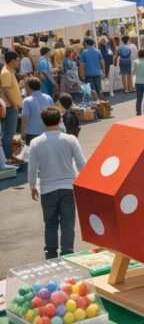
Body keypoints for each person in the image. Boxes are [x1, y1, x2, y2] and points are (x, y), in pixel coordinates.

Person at [26, 106, 86, 259]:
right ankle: (67, 253)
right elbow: (81, 164)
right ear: (60, 120)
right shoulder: (70, 139)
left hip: (47, 188)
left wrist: (32, 186)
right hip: (68, 187)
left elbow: (32, 169)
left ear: (42, 121)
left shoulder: (35, 142)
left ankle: (51, 254)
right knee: (68, 223)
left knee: (50, 223)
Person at [20, 77, 53, 145]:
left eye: (25, 86)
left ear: (29, 87)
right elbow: (54, 114)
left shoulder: (27, 100)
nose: (24, 88)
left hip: (32, 133)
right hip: (47, 131)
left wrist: (22, 132)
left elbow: (25, 118)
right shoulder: (48, 97)